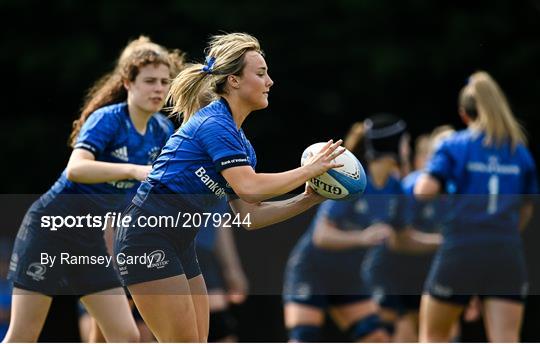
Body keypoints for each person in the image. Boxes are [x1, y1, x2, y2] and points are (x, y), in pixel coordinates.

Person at [113, 32, 345, 343]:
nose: (270, 81)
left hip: (180, 242)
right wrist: (309, 170)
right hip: (147, 235)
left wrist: (308, 199)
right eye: (260, 73)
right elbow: (249, 186)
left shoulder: (242, 146)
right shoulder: (215, 124)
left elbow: (251, 216)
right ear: (233, 81)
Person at [3, 35, 184, 342]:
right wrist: (133, 170)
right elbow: (77, 168)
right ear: (128, 83)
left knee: (126, 336)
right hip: (51, 229)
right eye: (150, 81)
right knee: (23, 336)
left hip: (89, 241)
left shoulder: (162, 130)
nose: (159, 89)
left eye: (165, 82)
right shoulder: (108, 120)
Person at [414, 71, 538, 342]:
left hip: (461, 249)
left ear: (464, 114)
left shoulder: (455, 145)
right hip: (506, 252)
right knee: (506, 338)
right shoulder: (519, 151)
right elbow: (527, 207)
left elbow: (424, 191)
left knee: (433, 336)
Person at [282, 114, 412, 342]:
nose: (408, 148)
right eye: (404, 142)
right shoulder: (352, 181)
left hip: (348, 275)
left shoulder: (395, 189)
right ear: (391, 146)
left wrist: (444, 241)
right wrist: (363, 238)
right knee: (304, 337)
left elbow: (404, 239)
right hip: (312, 270)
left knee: (377, 337)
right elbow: (322, 236)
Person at [195, 200, 248, 342]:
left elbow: (219, 219)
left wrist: (232, 268)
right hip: (173, 249)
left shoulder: (224, 183)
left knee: (218, 328)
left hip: (202, 254)